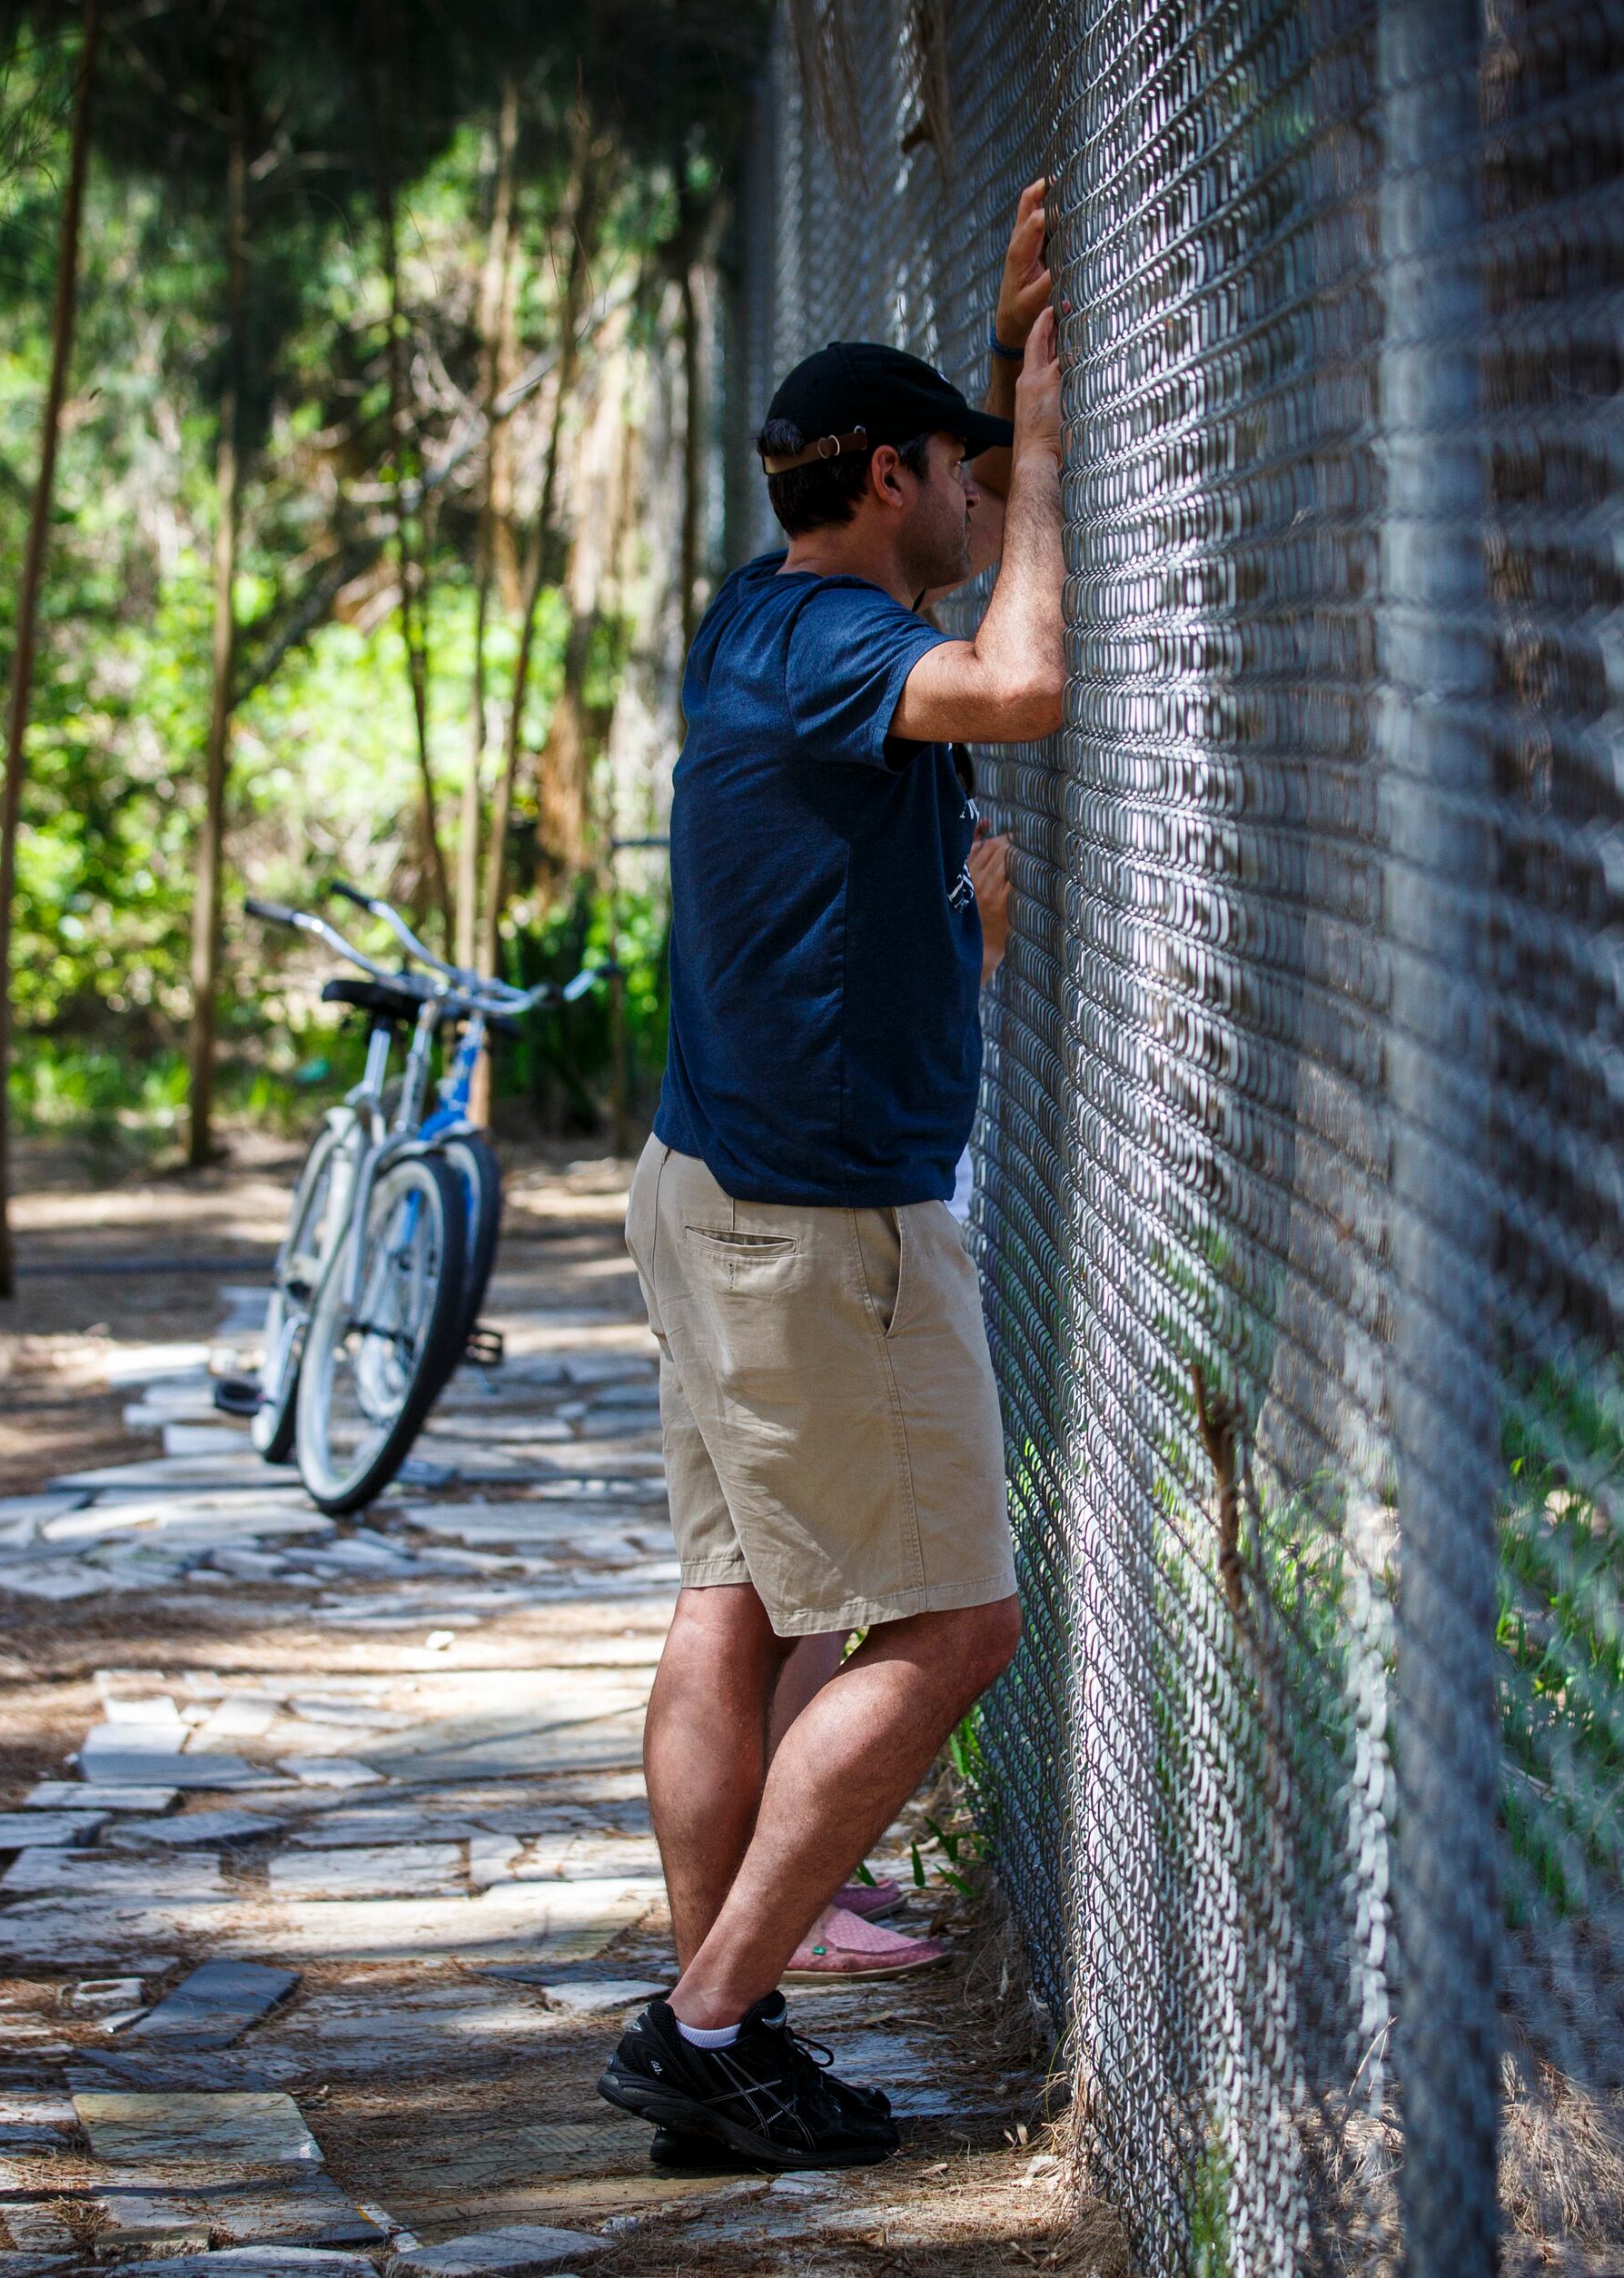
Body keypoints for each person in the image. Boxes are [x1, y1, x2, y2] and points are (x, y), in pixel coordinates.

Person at [600, 178, 1067, 2173]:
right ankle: (707, 2027)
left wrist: (987, 379)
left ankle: (734, 2013)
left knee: (732, 1598)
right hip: (822, 1230)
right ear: (889, 479)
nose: (972, 505)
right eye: (949, 474)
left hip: (723, 1193)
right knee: (954, 1627)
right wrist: (1035, 449)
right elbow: (1024, 681)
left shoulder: (768, 609)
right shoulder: (824, 645)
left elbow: (913, 606)